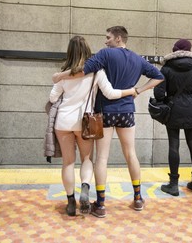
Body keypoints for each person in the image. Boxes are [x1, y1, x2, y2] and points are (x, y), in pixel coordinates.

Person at [53, 26, 164, 217]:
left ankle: (101, 204)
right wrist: (138, 90)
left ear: (118, 38)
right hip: (127, 111)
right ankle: (138, 198)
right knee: (131, 153)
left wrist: (61, 76)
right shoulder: (137, 59)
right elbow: (159, 76)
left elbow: (82, 71)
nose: (105, 41)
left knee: (102, 158)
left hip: (105, 113)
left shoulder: (105, 55)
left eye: (108, 37)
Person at [49, 35, 137, 216]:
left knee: (68, 162)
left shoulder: (64, 73)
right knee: (87, 159)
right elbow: (110, 93)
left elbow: (52, 98)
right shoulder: (97, 72)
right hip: (85, 122)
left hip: (63, 121)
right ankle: (85, 188)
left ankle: (71, 202)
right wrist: (131, 91)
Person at [154, 39, 192, 196]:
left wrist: (168, 101)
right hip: (191, 111)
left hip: (173, 111)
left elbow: (158, 93)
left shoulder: (166, 69)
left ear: (174, 50)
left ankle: (173, 185)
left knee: (174, 145)